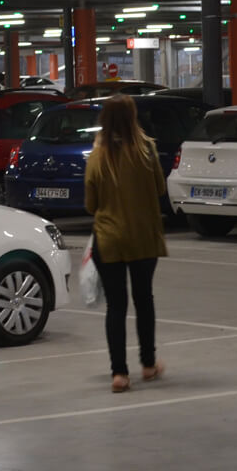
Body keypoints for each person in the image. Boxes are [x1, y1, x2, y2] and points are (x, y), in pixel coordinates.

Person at [84, 94, 168, 392]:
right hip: (143, 238)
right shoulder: (147, 150)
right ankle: (148, 364)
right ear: (133, 118)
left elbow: (91, 204)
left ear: (103, 121)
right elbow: (160, 188)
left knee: (116, 307)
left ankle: (119, 374)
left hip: (109, 241)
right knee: (144, 301)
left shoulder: (97, 157)